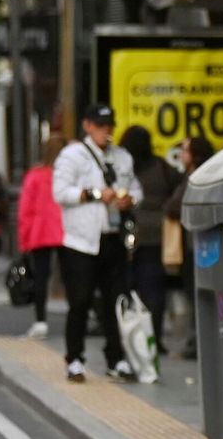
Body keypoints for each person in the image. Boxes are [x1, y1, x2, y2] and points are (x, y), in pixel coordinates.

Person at [53, 104, 142, 383]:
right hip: (80, 242)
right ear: (88, 126)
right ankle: (75, 359)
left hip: (112, 238)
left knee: (116, 300)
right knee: (80, 301)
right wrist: (94, 194)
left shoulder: (122, 157)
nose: (108, 131)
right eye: (101, 125)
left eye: (110, 125)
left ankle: (116, 358)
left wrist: (130, 200)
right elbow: (60, 192)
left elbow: (137, 189)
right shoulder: (73, 156)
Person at [120, 125, 182, 352]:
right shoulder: (161, 167)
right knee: (155, 289)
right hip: (157, 236)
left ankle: (131, 335)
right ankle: (153, 337)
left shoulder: (124, 169)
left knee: (127, 287)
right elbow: (178, 186)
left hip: (128, 235)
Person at [165, 134, 215, 359]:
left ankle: (196, 344)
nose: (182, 155)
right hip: (198, 243)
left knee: (196, 295)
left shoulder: (196, 177)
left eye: (185, 150)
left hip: (198, 244)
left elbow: (175, 206)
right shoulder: (195, 176)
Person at [16, 136, 68, 338]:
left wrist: (24, 239)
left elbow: (24, 210)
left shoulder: (35, 176)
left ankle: (40, 321)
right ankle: (77, 314)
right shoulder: (67, 176)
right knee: (71, 276)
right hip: (67, 231)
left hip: (40, 232)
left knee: (41, 277)